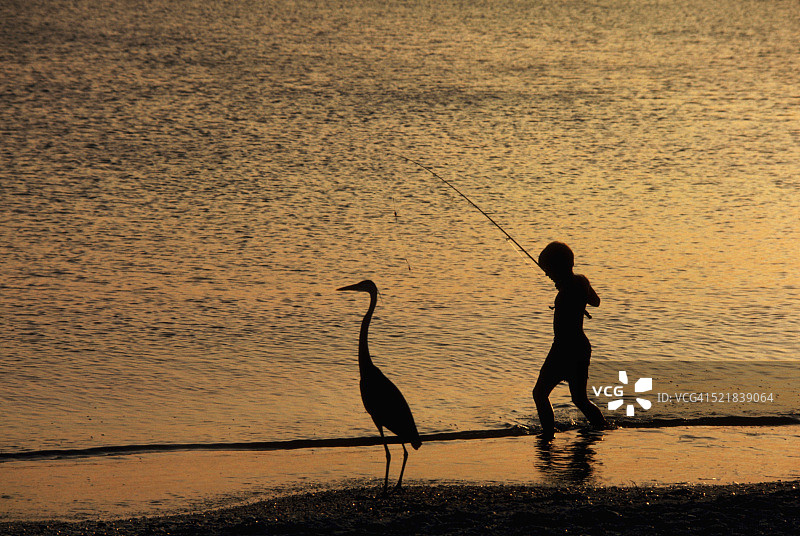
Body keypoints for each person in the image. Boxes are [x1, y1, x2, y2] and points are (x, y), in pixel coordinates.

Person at [532, 241, 609, 440]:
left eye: (548, 269)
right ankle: (603, 427)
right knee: (580, 399)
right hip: (581, 348)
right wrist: (571, 290)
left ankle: (547, 436)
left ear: (558, 267)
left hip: (563, 349)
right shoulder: (581, 282)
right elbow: (596, 302)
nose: (546, 274)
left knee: (540, 394)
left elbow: (568, 310)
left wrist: (565, 290)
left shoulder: (566, 291)